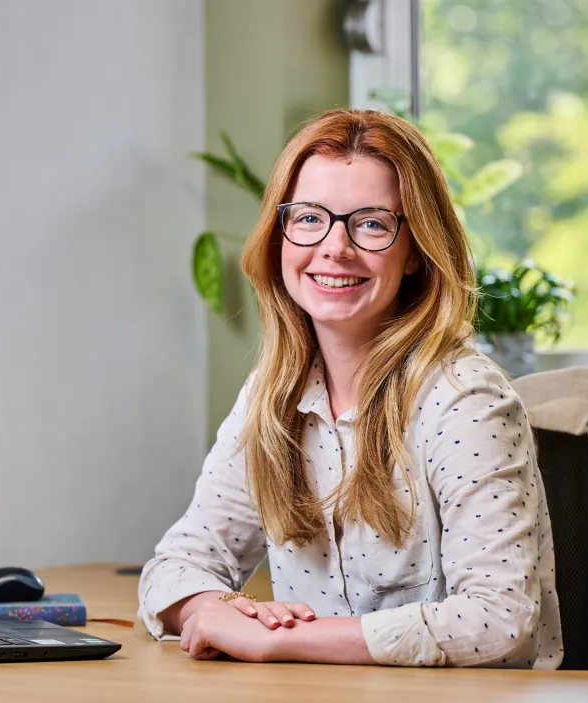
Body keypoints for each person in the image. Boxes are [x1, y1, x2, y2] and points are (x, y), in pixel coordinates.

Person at [138, 108, 562, 668]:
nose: (335, 247)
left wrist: (279, 640)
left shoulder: (464, 399)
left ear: (416, 251)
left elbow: (498, 621)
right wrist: (206, 609)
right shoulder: (273, 396)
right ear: (279, 235)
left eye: (370, 223)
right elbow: (179, 562)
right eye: (310, 218)